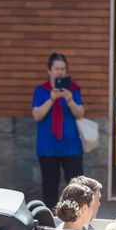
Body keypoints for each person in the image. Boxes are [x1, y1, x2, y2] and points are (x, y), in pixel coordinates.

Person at [32, 52, 85, 211]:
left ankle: (76, 217)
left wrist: (69, 100)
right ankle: (50, 220)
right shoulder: (41, 90)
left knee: (77, 188)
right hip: (48, 148)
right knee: (50, 187)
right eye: (56, 68)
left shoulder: (73, 89)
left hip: (71, 146)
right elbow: (37, 115)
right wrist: (51, 99)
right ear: (49, 70)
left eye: (63, 69)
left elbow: (80, 113)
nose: (60, 72)